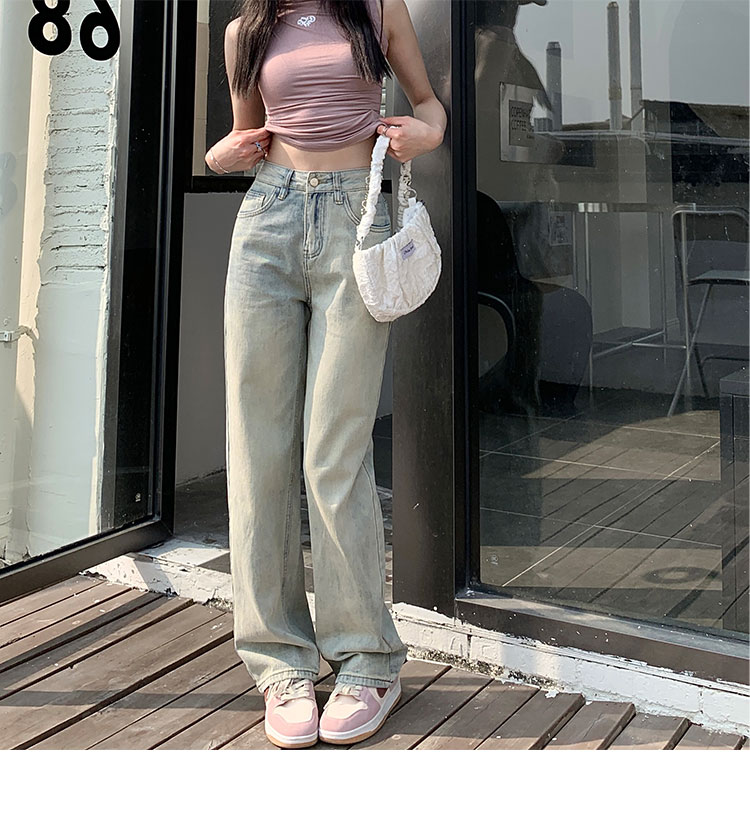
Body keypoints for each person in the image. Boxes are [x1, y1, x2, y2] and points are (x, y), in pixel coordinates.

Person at [205, 0, 446, 749]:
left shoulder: (376, 10)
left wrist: (426, 131)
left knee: (333, 451)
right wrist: (220, 157)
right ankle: (279, 660)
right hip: (267, 221)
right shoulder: (245, 32)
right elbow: (245, 135)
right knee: (258, 452)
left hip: (356, 216)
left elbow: (430, 105)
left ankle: (367, 660)